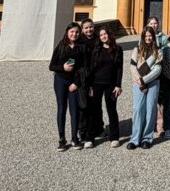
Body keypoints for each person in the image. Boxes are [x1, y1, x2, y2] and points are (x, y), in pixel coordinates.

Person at [48, 22, 87, 151]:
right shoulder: (61, 45)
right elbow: (51, 66)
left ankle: (75, 138)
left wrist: (76, 83)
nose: (74, 34)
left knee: (74, 111)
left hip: (73, 83)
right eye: (72, 32)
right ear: (67, 32)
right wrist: (63, 67)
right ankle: (61, 139)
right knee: (61, 109)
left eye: (76, 32)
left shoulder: (81, 47)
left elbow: (83, 67)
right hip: (60, 80)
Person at [128, 28, 162, 150]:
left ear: (153, 37)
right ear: (143, 37)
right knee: (138, 109)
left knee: (150, 109)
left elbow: (157, 70)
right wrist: (139, 81)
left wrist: (144, 80)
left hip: (152, 83)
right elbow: (132, 67)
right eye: (146, 36)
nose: (148, 38)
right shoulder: (136, 50)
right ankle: (135, 138)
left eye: (150, 36)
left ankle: (147, 138)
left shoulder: (158, 52)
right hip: (138, 83)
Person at [89, 26, 123, 146]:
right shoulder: (96, 49)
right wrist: (90, 85)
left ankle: (114, 137)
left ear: (109, 34)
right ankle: (90, 137)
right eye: (101, 35)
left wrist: (118, 85)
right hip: (96, 83)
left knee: (112, 110)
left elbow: (119, 69)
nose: (104, 36)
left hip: (111, 84)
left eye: (105, 34)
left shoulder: (118, 49)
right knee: (94, 110)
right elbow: (91, 68)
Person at [78, 18, 101, 146]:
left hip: (96, 76)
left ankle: (98, 128)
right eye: (86, 28)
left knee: (96, 104)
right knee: (83, 105)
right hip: (83, 77)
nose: (89, 30)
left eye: (91, 27)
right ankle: (82, 131)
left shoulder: (98, 39)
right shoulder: (79, 40)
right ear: (82, 29)